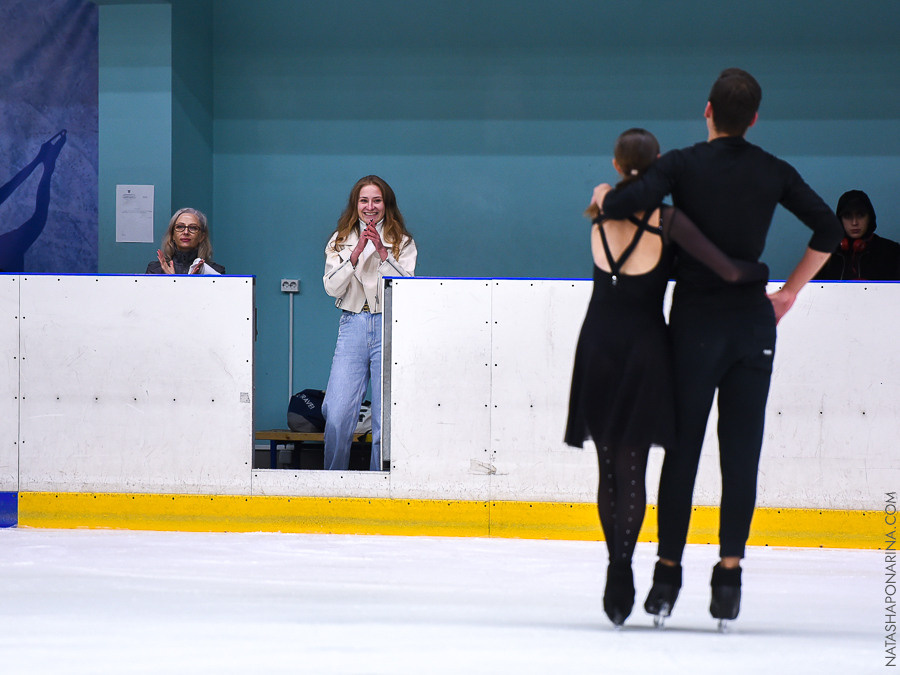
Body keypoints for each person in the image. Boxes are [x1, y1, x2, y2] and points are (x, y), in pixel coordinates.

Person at [592, 68, 842, 627]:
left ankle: (666, 575)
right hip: (754, 324)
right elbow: (828, 229)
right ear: (754, 118)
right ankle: (729, 576)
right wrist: (789, 294)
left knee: (682, 451)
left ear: (708, 111)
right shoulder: (773, 170)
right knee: (741, 452)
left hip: (696, 327)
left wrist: (606, 193)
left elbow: (622, 205)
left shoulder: (681, 163)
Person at [566, 128, 769, 627]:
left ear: (616, 165)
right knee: (632, 468)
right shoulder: (665, 219)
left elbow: (607, 196)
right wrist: (758, 276)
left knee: (608, 468)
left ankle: (617, 571)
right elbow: (724, 268)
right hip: (643, 348)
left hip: (596, 345)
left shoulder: (598, 205)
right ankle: (629, 571)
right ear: (657, 163)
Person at [322, 175, 417, 471]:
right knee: (337, 413)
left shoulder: (403, 242)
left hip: (389, 327)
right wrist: (354, 254)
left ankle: (380, 485)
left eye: (377, 200)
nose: (370, 207)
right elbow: (331, 288)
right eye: (364, 200)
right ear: (356, 204)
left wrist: (383, 253)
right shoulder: (339, 239)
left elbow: (407, 286)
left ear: (386, 204)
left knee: (384, 416)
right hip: (353, 324)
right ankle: (331, 482)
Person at [0, 130, 66, 273]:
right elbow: (39, 218)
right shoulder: (6, 251)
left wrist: (40, 161)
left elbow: (6, 191)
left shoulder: (7, 250)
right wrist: (45, 166)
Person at [814, 190, 900, 280]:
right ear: (840, 220)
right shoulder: (826, 253)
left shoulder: (892, 251)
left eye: (860, 215)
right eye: (847, 216)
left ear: (870, 218)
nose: (854, 222)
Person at [145, 208, 225, 275]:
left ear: (201, 236)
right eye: (180, 227)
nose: (186, 232)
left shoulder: (215, 271)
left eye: (193, 228)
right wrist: (170, 280)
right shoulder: (155, 270)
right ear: (172, 235)